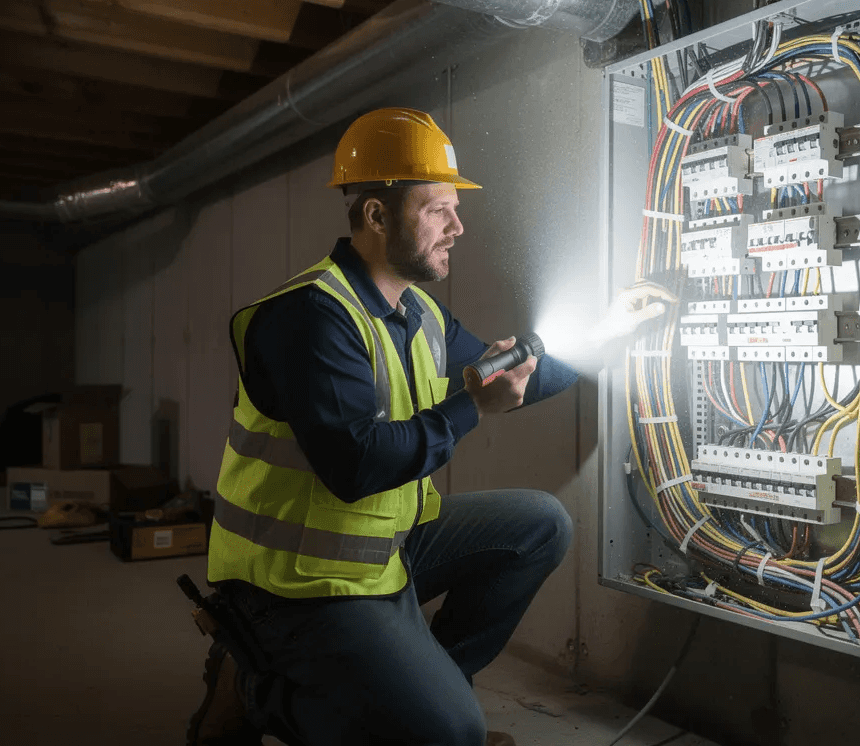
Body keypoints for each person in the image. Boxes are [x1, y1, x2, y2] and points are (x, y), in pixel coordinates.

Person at [188, 107, 579, 746]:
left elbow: (511, 379)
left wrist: (612, 344)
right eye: (438, 210)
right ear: (376, 215)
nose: (458, 227)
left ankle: (431, 688)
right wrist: (473, 406)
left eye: (456, 209)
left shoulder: (418, 312)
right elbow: (356, 466)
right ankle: (254, 684)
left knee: (542, 524)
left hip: (382, 553)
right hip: (295, 583)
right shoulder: (311, 318)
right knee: (452, 735)